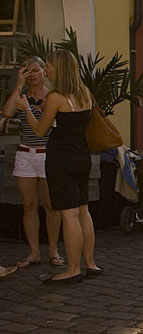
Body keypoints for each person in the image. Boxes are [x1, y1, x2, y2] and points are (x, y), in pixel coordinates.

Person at [19, 50, 99, 283]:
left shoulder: (55, 97)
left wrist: (27, 110)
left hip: (60, 158)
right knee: (84, 210)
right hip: (81, 155)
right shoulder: (84, 92)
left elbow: (39, 130)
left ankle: (72, 268)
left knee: (69, 215)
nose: (47, 70)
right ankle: (90, 263)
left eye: (49, 66)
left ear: (59, 69)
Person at [4, 56, 62, 269]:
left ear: (44, 72)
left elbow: (50, 126)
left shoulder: (52, 96)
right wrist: (18, 85)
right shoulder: (22, 96)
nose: (33, 75)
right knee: (29, 205)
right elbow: (7, 112)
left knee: (50, 205)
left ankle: (53, 250)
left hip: (47, 153)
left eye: (36, 70)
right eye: (28, 71)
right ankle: (34, 252)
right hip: (26, 153)